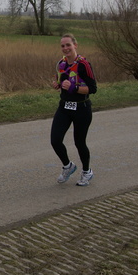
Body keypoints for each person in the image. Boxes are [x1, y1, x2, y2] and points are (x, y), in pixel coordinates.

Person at [51, 33, 97, 186]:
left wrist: (74, 88)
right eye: (63, 46)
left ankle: (86, 171)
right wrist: (57, 85)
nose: (65, 48)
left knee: (79, 142)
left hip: (82, 108)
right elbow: (62, 82)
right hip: (64, 107)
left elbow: (92, 88)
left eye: (68, 45)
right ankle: (68, 166)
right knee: (55, 140)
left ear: (75, 45)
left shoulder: (83, 64)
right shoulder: (61, 64)